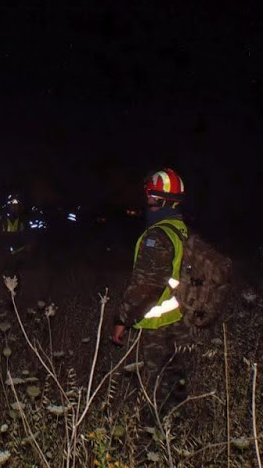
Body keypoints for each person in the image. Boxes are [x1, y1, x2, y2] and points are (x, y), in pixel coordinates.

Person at [111, 168, 193, 411]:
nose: (147, 206)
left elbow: (145, 286)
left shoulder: (157, 236)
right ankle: (176, 433)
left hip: (157, 329)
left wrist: (121, 319)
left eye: (150, 200)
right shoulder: (181, 230)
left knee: (153, 392)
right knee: (174, 384)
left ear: (164, 201)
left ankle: (155, 437)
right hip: (178, 322)